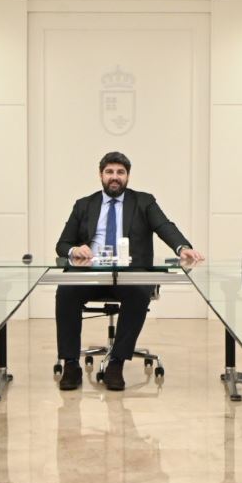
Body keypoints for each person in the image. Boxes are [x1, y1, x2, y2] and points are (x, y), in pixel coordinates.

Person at [54, 151, 204, 391]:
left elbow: (165, 226)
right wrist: (74, 250)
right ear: (100, 175)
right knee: (66, 291)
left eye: (120, 172)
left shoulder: (144, 201)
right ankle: (71, 364)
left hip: (130, 274)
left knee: (139, 293)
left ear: (128, 176)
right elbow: (62, 244)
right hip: (92, 273)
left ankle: (116, 363)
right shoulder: (84, 204)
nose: (115, 177)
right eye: (109, 172)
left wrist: (182, 247)